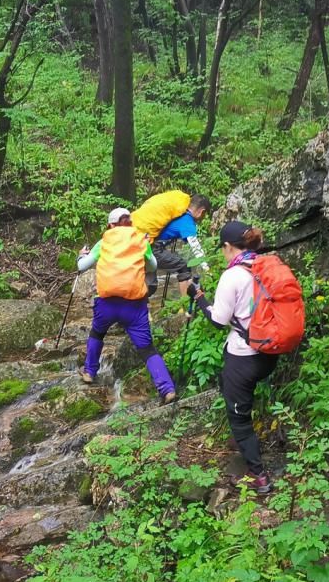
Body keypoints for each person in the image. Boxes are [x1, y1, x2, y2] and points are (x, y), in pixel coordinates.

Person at [187, 221, 276, 494]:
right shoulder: (267, 265)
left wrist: (199, 297)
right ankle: (246, 439)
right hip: (270, 351)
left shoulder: (233, 275)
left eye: (223, 248)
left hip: (244, 356)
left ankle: (258, 476)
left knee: (238, 416)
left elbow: (218, 321)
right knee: (232, 389)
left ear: (228, 246)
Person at [76, 207, 177, 403]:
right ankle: (167, 389)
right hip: (134, 305)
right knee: (147, 349)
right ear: (130, 223)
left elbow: (82, 266)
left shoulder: (104, 240)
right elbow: (153, 266)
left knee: (97, 333)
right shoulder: (140, 239)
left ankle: (89, 372)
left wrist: (81, 255)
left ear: (110, 225)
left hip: (107, 303)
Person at [131, 190, 212, 298]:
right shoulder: (187, 222)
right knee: (183, 266)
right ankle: (185, 305)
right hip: (151, 248)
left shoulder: (177, 212)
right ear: (201, 212)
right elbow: (196, 248)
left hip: (140, 242)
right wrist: (207, 269)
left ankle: (138, 307)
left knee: (149, 284)